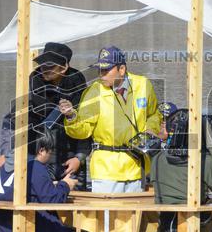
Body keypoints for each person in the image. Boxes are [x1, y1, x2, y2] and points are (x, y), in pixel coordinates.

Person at [59, 45, 160, 193]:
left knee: (134, 214)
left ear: (122, 69)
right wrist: (71, 116)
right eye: (100, 70)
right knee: (107, 215)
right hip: (106, 169)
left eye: (106, 70)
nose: (101, 74)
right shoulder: (95, 91)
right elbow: (83, 130)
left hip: (136, 166)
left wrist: (151, 129)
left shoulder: (143, 85)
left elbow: (154, 114)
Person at [0, 42, 89, 185]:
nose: (44, 68)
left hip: (71, 161)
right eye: (43, 64)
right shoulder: (31, 90)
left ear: (64, 68)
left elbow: (88, 129)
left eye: (50, 66)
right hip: (38, 160)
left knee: (75, 204)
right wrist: (6, 156)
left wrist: (79, 158)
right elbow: (10, 124)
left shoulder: (81, 92)